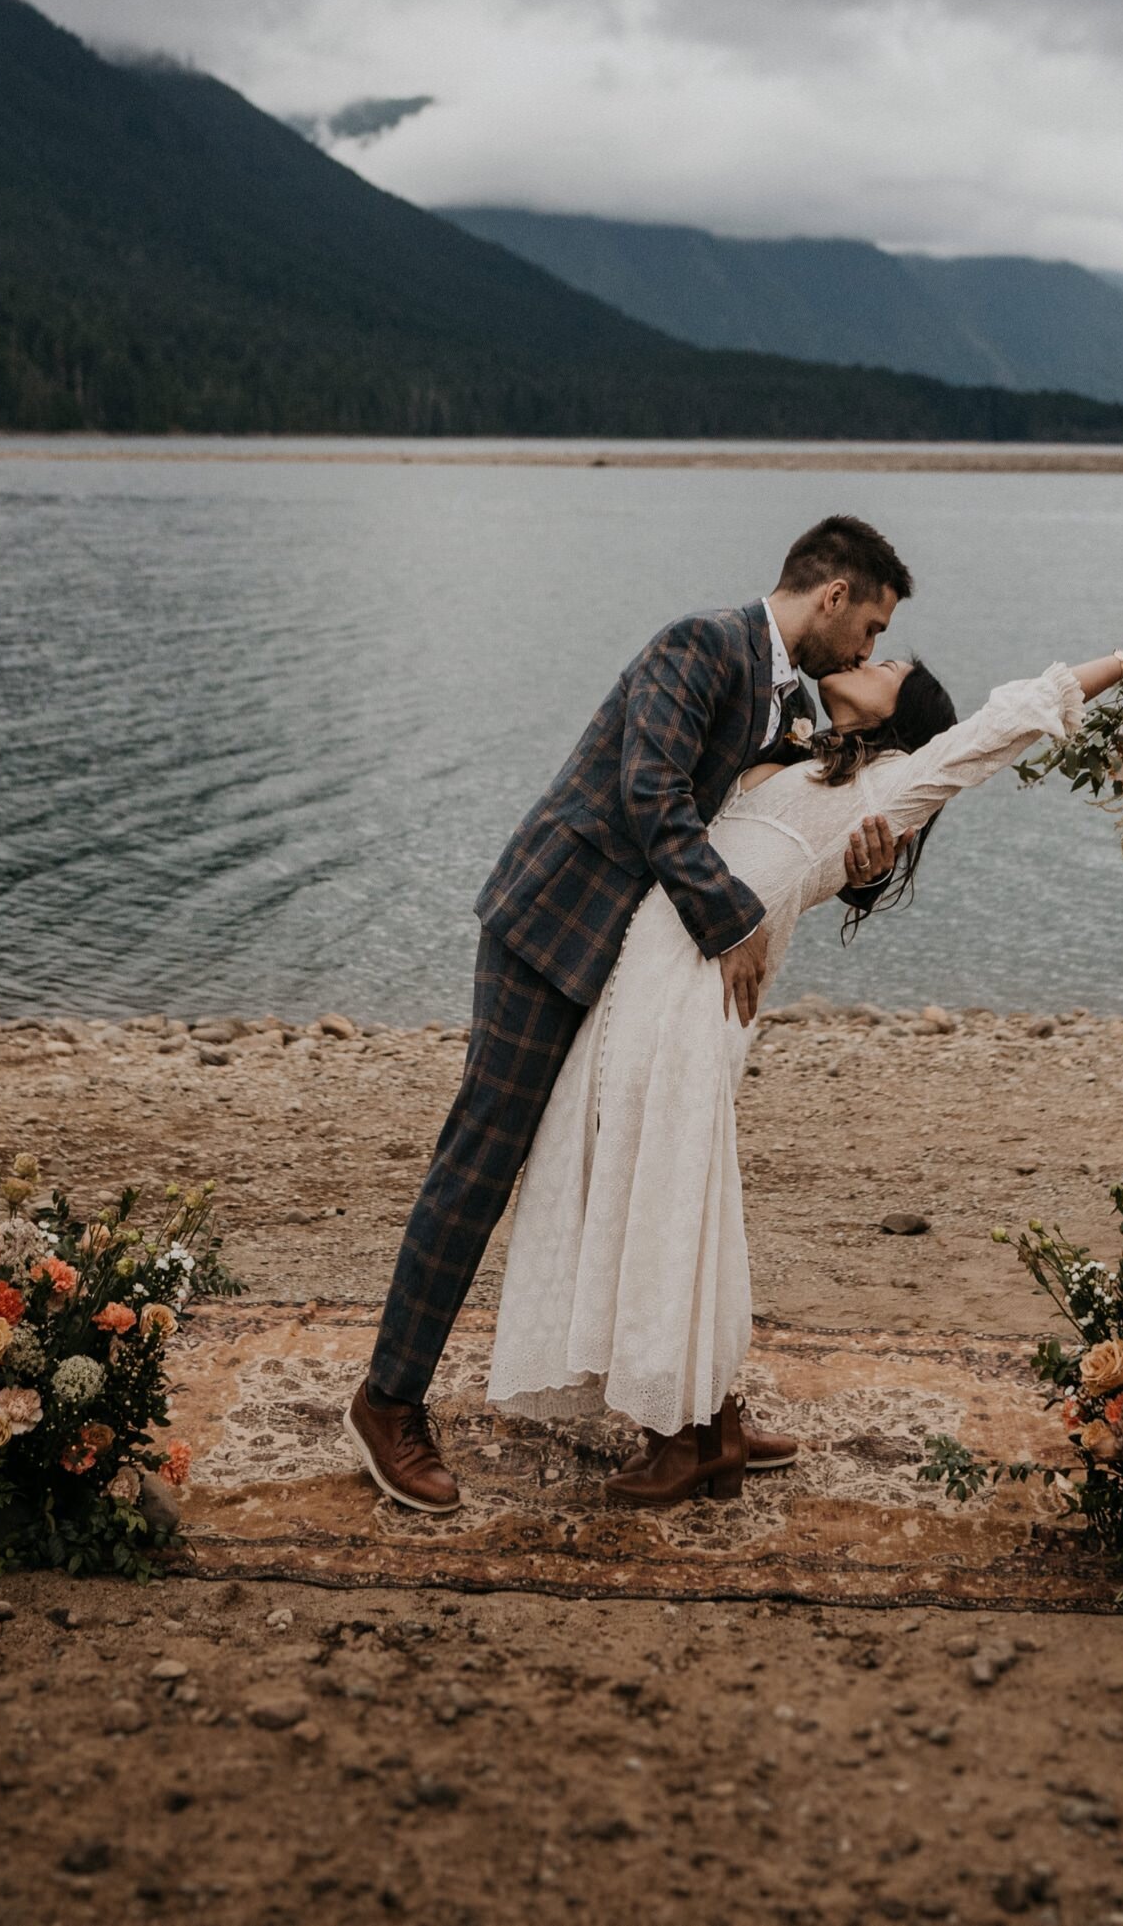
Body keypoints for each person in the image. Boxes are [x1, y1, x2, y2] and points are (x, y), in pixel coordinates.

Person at [484, 623, 1123, 1504]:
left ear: (906, 719)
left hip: (700, 982)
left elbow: (1014, 716)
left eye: (893, 666)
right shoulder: (805, 741)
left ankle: (679, 1439)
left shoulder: (897, 779)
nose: (872, 659)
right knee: (667, 1176)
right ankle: (715, 1420)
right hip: (657, 965)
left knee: (664, 1185)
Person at [345, 515, 915, 1512]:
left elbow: (790, 824)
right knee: (477, 1165)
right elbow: (649, 794)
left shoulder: (785, 698)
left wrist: (861, 870)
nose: (868, 650)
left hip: (633, 967)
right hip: (551, 932)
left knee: (666, 1168)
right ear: (831, 596)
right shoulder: (695, 645)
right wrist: (731, 921)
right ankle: (386, 1403)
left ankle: (705, 1416)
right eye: (868, 627)